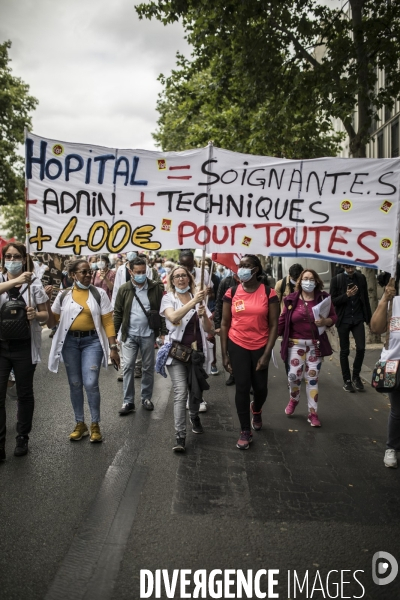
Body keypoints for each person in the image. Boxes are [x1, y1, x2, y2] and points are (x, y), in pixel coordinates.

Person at [47, 259, 120, 443]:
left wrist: (113, 348)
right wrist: (45, 304)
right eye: (84, 272)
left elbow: (108, 322)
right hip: (69, 343)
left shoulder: (99, 293)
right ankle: (80, 424)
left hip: (92, 342)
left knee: (90, 382)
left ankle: (95, 424)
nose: (88, 275)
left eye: (89, 272)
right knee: (75, 383)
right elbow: (51, 322)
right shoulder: (63, 295)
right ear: (73, 275)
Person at [220, 255, 279, 450]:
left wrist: (266, 354)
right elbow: (225, 323)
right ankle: (245, 430)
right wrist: (225, 354)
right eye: (240, 266)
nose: (242, 269)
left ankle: (257, 408)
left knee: (260, 389)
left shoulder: (269, 293)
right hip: (237, 345)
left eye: (246, 266)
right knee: (242, 388)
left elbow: (273, 325)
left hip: (261, 346)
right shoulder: (232, 292)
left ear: (256, 269)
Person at [0, 242, 49, 460]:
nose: (12, 260)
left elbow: (45, 315)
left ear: (24, 259)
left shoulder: (34, 284)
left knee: (25, 393)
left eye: (16, 256)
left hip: (24, 347)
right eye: (8, 256)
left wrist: (35, 316)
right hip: (1, 346)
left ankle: (22, 437)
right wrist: (15, 281)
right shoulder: (2, 280)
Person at [160, 264, 214, 452]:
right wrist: (193, 302)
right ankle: (180, 436)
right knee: (180, 392)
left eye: (184, 275)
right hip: (177, 353)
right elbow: (173, 316)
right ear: (172, 281)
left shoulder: (198, 299)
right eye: (177, 276)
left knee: (195, 391)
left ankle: (194, 416)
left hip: (197, 354)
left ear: (189, 279)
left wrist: (204, 316)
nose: (181, 279)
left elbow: (209, 329)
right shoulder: (168, 298)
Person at [278, 269, 337, 428]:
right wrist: (269, 339)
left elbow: (334, 317)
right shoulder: (291, 300)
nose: (308, 282)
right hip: (295, 344)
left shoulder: (324, 298)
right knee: (293, 376)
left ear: (316, 281)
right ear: (299, 281)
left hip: (314, 346)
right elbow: (282, 321)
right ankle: (294, 398)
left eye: (311, 279)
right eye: (305, 278)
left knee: (312, 378)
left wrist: (325, 322)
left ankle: (313, 413)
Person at [114, 256, 166, 414]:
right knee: (128, 367)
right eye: (138, 272)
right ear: (130, 272)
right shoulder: (124, 289)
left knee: (148, 367)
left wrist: (162, 333)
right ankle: (128, 401)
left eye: (143, 272)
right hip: (129, 335)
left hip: (148, 335)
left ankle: (146, 398)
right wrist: (114, 336)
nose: (141, 275)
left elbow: (161, 311)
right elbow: (117, 313)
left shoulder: (155, 288)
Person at [370, 277, 399, 468]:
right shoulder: (392, 302)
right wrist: (384, 300)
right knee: (397, 411)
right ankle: (391, 448)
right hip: (392, 366)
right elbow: (375, 328)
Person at [179, 250, 213, 411]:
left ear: (194, 262)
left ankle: (198, 398)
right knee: (184, 367)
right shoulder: (177, 280)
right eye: (183, 265)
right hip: (181, 332)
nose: (186, 268)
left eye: (189, 264)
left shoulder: (202, 273)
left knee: (198, 364)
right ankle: (189, 396)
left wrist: (206, 295)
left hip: (198, 325)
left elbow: (210, 292)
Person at [330, 264, 372, 392]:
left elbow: (365, 298)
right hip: (343, 319)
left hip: (358, 318)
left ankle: (356, 376)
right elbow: (332, 301)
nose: (350, 270)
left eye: (352, 267)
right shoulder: (336, 280)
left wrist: (369, 319)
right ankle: (347, 380)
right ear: (343, 266)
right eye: (348, 268)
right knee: (345, 351)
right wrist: (346, 295)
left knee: (361, 348)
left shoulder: (360, 278)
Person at [214, 271, 240, 386]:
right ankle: (233, 373)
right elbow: (219, 303)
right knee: (231, 350)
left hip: (246, 324)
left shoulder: (258, 282)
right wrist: (218, 325)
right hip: (229, 322)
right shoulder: (226, 282)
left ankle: (250, 381)